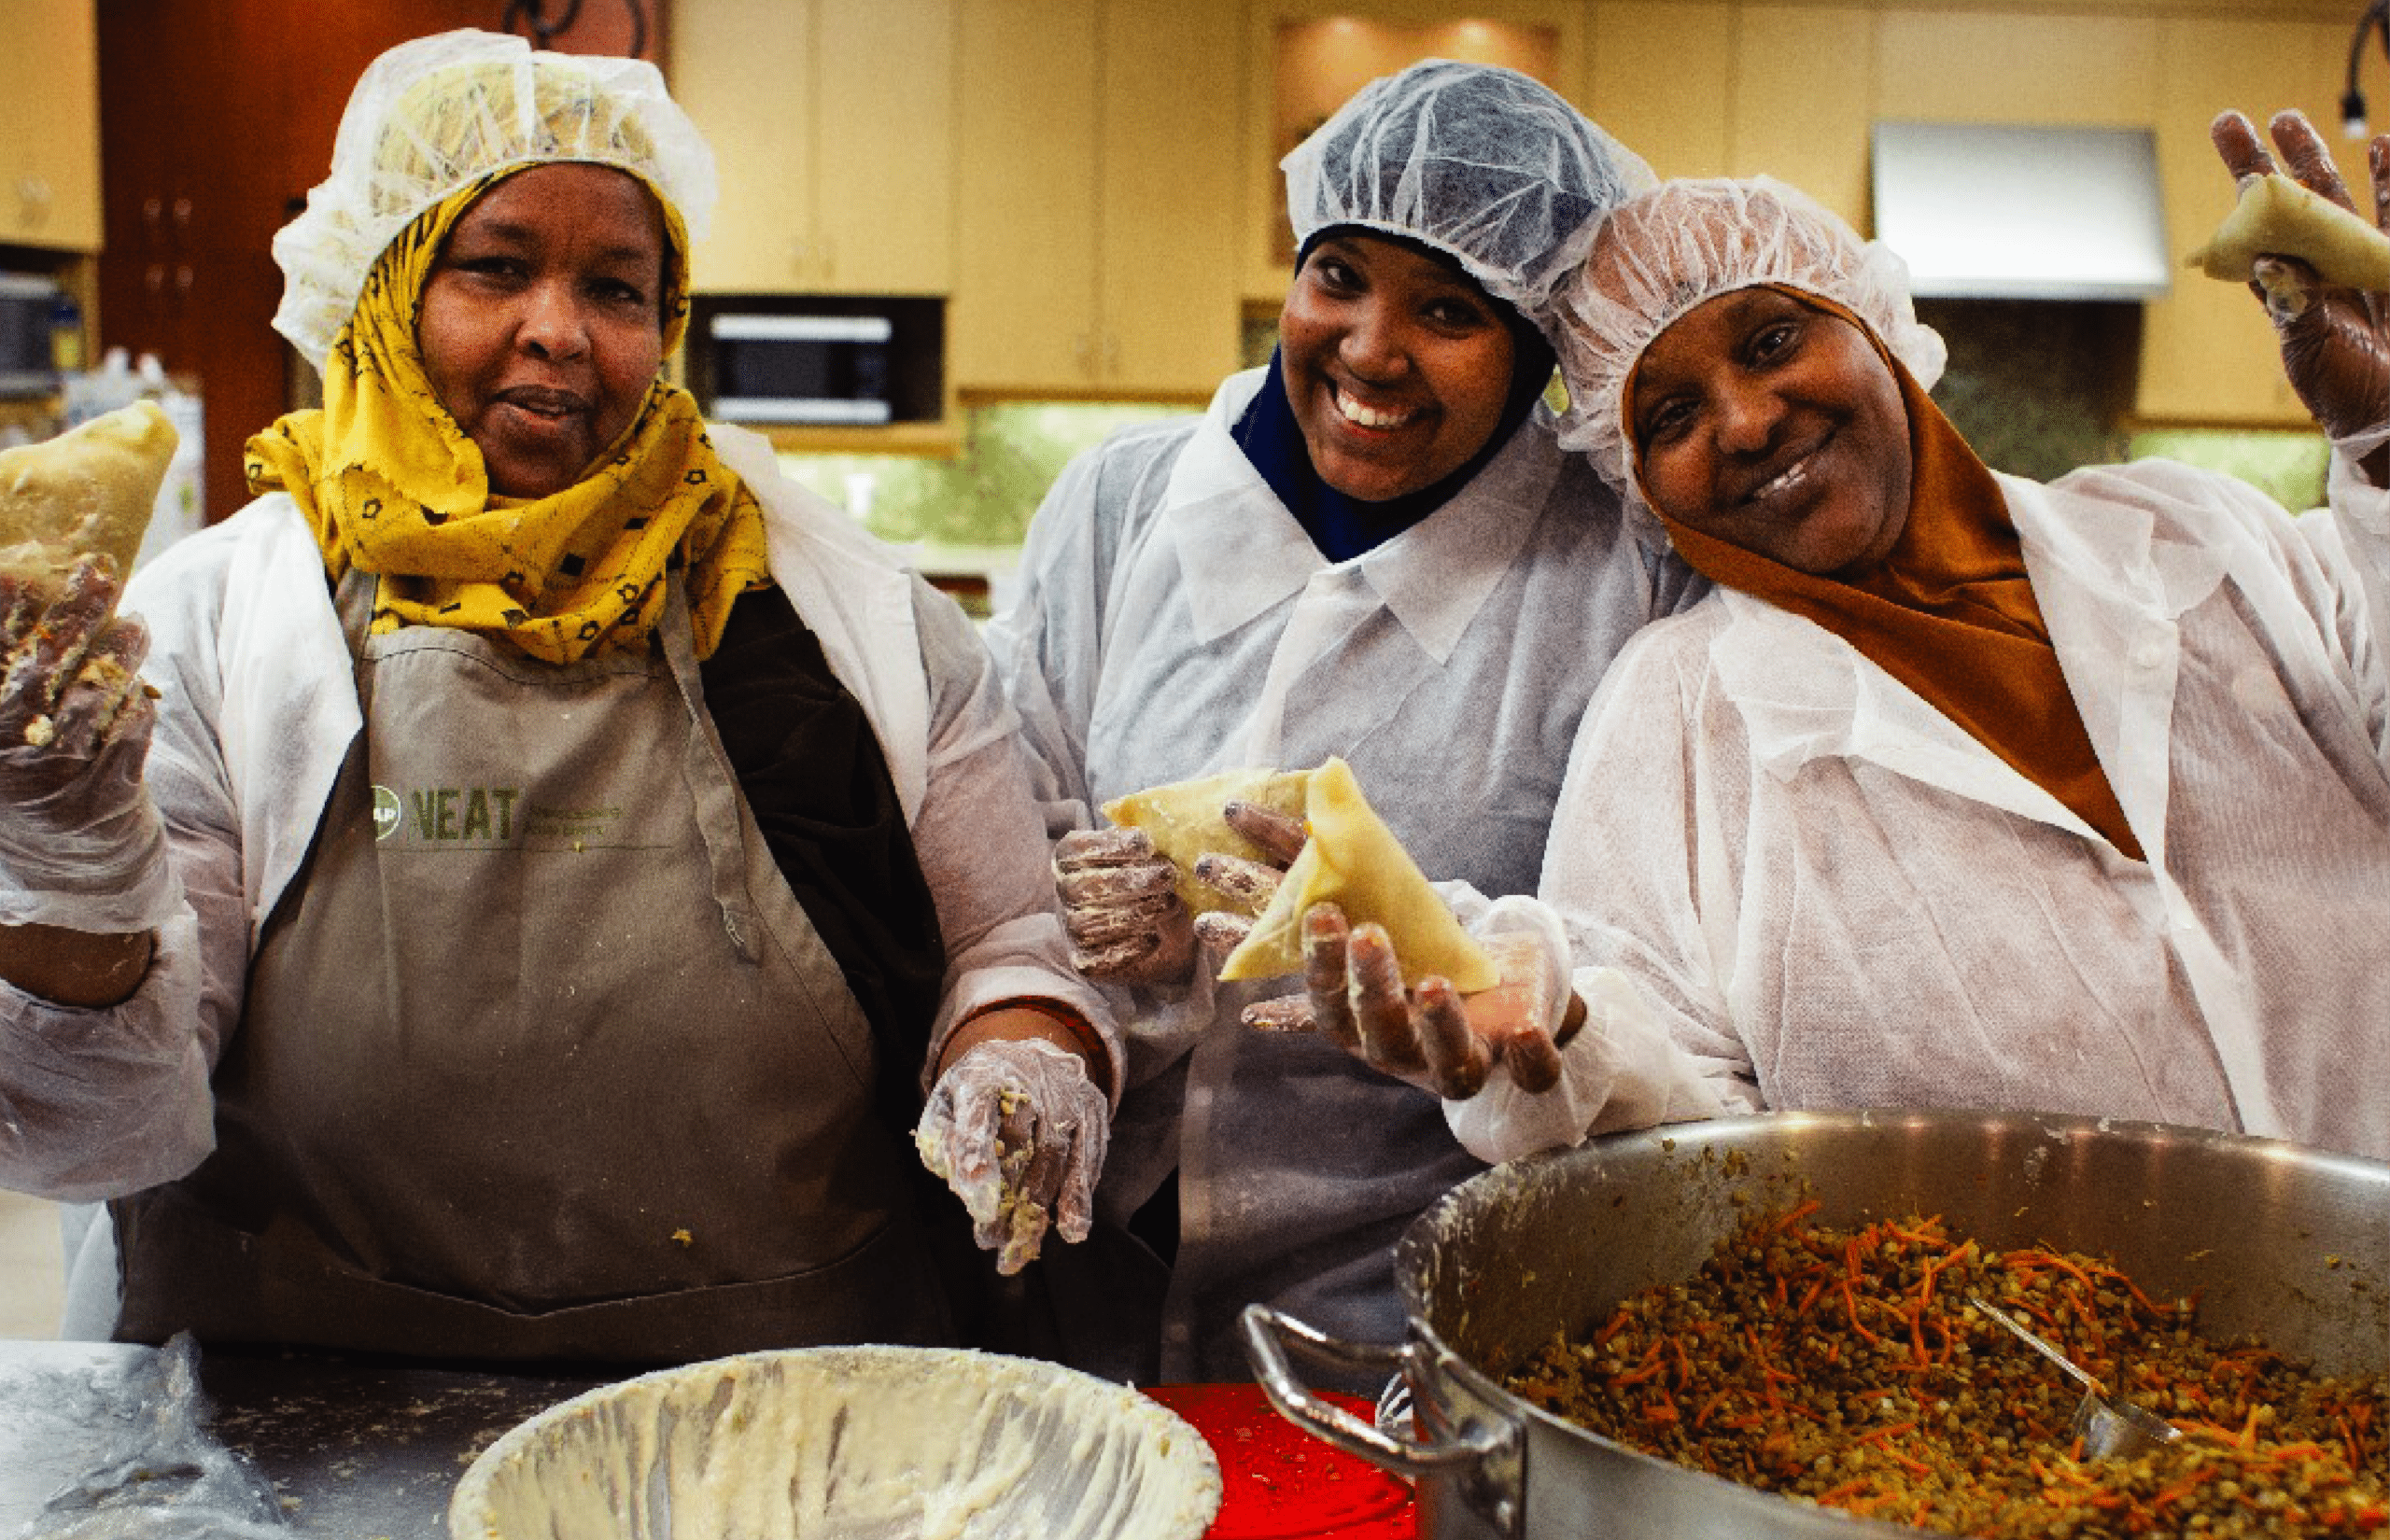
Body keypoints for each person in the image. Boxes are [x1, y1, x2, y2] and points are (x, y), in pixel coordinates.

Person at [0, 29, 1116, 1361]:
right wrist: (66, 872)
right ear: (386, 286)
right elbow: (100, 1124)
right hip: (302, 1397)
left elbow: (1007, 943)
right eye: (497, 267)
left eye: (618, 287)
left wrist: (1024, 1057)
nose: (561, 330)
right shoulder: (221, 620)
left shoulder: (846, 616)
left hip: (779, 1398)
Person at [1458, 107, 2390, 1163]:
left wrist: (2389, 447)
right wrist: (1558, 1037)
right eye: (1667, 416)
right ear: (1635, 481)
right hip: (1996, 1324)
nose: (1746, 422)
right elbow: (1659, 1104)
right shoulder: (1674, 713)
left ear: (1876, 332)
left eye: (1772, 342)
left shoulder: (2198, 538)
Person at [986, 58, 1709, 1385]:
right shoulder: (1117, 509)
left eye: (1449, 309)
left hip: (1414, 1319)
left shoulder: (1622, 573)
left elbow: (1659, 968)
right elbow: (1006, 821)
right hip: (1083, 1290)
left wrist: (1444, 957)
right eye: (1339, 278)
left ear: (1540, 340)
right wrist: (1105, 952)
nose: (1373, 349)